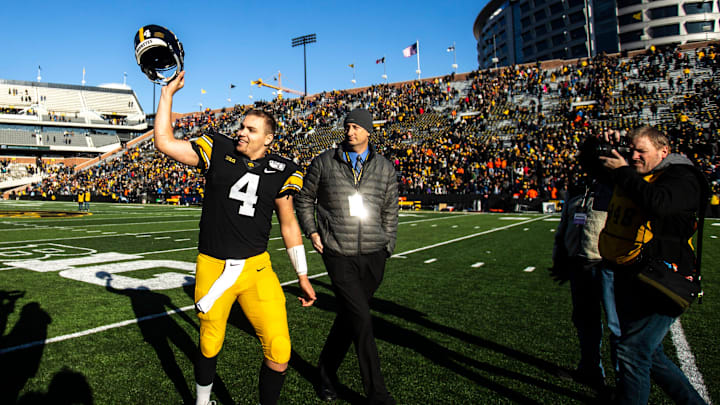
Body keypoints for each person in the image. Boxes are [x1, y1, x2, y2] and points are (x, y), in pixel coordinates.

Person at [154, 71, 317, 405]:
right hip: (213, 265)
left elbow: (289, 224)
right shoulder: (217, 148)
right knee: (210, 342)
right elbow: (164, 143)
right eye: (242, 126)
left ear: (268, 139)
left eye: (250, 130)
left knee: (280, 349)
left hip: (257, 269)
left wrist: (301, 274)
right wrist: (167, 95)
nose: (241, 132)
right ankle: (202, 402)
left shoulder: (283, 169)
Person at [295, 108, 399, 405]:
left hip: (374, 254)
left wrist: (387, 245)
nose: (350, 131)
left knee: (350, 318)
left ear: (368, 131)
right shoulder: (324, 162)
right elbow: (304, 199)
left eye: (356, 127)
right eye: (347, 126)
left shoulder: (385, 167)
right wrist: (313, 232)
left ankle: (325, 373)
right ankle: (377, 394)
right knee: (363, 320)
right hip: (338, 251)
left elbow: (391, 210)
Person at [598, 126, 708, 404]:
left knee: (633, 351)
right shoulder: (643, 172)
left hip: (664, 277)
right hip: (633, 272)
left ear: (664, 151)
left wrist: (623, 171)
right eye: (631, 149)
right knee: (650, 353)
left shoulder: (683, 177)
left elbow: (658, 202)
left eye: (640, 151)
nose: (633, 156)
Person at [551, 184, 618, 395]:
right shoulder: (578, 189)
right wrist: (559, 255)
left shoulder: (615, 188)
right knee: (584, 320)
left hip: (606, 265)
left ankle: (625, 380)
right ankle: (590, 369)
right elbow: (564, 225)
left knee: (616, 326)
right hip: (579, 263)